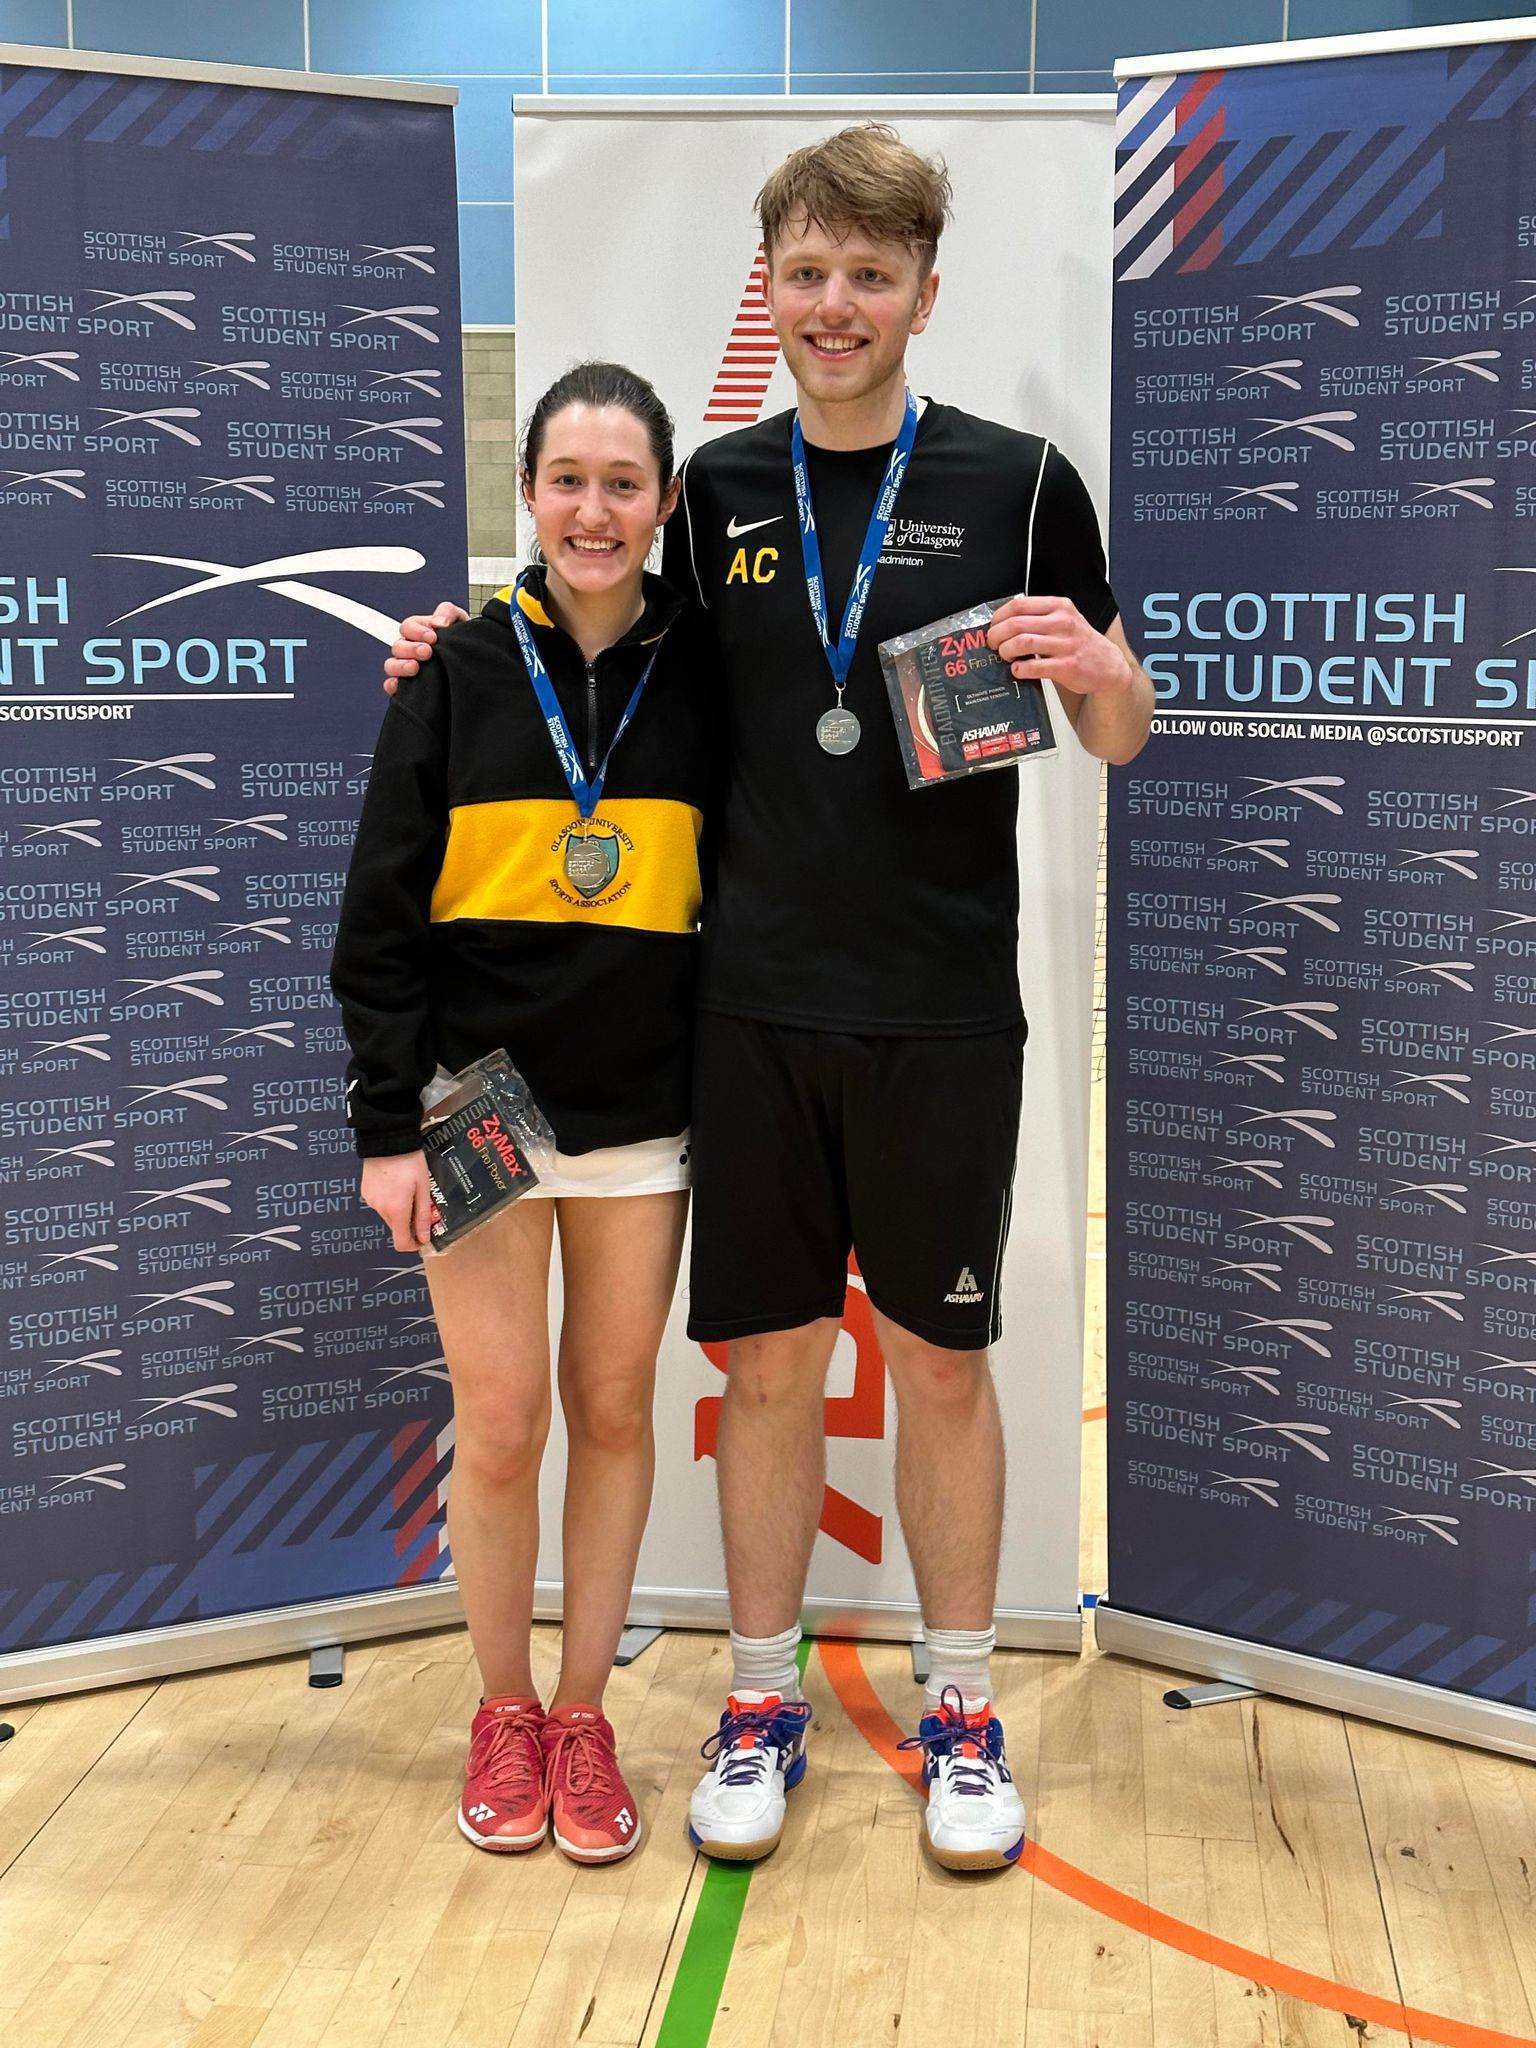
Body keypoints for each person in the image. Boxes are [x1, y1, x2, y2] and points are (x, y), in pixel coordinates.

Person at [383, 125, 1155, 1873]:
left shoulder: (1026, 482)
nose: (834, 304)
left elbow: (1113, 724)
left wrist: (1117, 680)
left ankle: (963, 1710)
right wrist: (442, 649)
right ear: (772, 288)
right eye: (806, 273)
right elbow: (577, 640)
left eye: (869, 276)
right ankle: (757, 1696)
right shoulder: (716, 489)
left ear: (923, 296)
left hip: (945, 1014)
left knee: (945, 1369)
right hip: (739, 1023)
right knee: (769, 1366)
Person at [331, 361, 711, 1866]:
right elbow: (376, 922)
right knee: (499, 1423)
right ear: (529, 496)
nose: (596, 510)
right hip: (475, 1111)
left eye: (625, 484)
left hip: (640, 1124)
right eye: (569, 480)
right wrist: (382, 1128)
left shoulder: (710, 667)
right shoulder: (453, 669)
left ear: (665, 504)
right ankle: (500, 1710)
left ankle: (582, 1714)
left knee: (614, 1413)